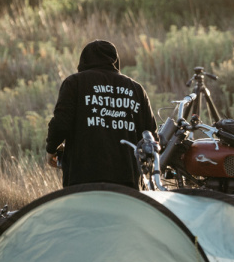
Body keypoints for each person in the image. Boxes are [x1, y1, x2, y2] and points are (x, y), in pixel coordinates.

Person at [45, 40, 156, 188]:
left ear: (83, 60)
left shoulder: (74, 83)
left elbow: (61, 123)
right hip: (127, 180)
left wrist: (51, 149)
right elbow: (150, 135)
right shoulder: (136, 89)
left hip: (83, 177)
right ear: (115, 61)